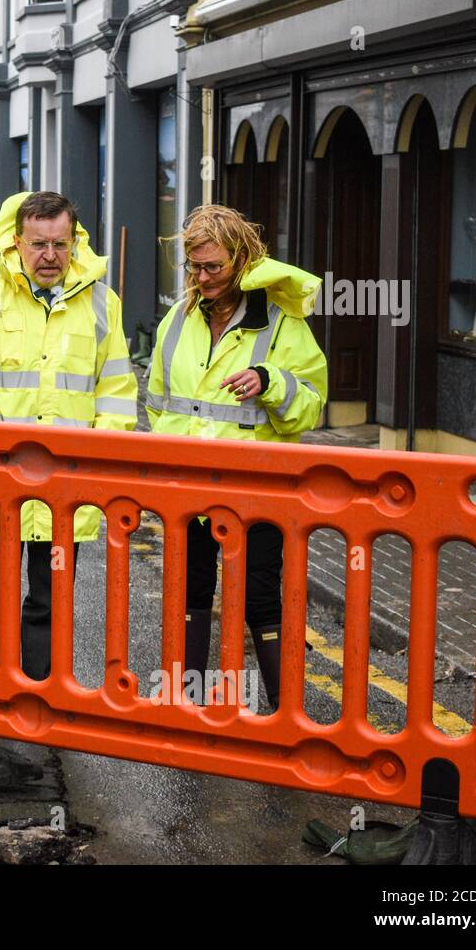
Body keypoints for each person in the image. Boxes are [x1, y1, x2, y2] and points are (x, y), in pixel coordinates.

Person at [0, 191, 138, 681]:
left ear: (74, 241)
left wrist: (102, 467)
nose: (49, 256)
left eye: (60, 245)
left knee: (51, 603)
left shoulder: (104, 303)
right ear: (16, 242)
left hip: (66, 490)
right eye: (38, 244)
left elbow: (117, 391)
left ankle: (37, 701)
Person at [149, 204, 328, 711]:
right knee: (189, 594)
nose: (201, 278)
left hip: (257, 490)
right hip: (188, 491)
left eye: (214, 267)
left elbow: (311, 406)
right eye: (194, 267)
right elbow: (159, 402)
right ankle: (186, 707)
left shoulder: (281, 325)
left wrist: (272, 382)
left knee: (260, 598)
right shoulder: (176, 321)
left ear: (242, 261)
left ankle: (286, 714)